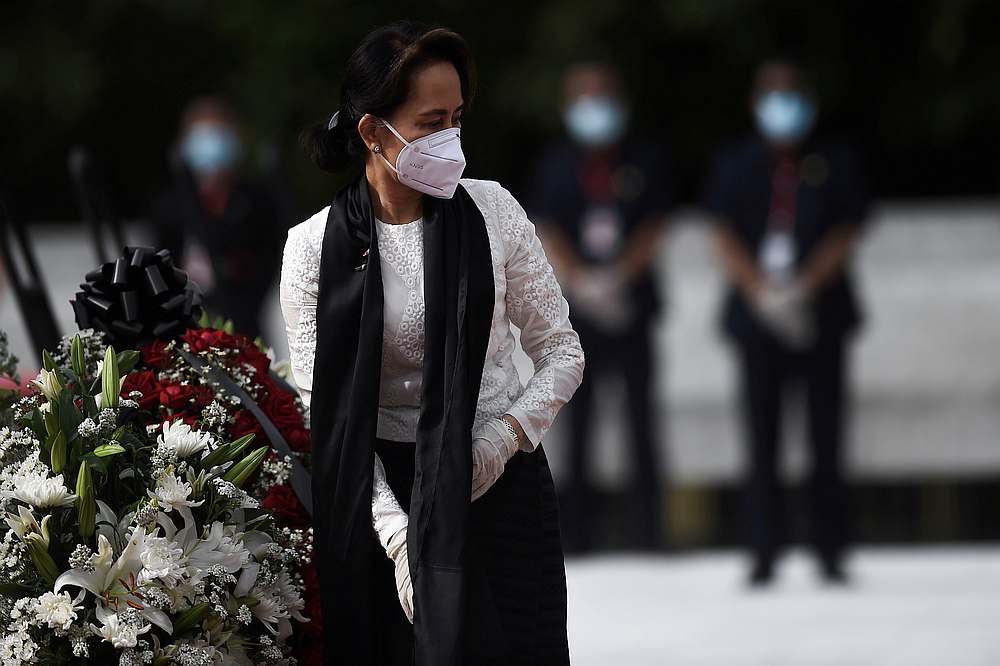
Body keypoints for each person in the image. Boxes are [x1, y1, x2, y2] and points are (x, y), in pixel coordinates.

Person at [279, 22, 584, 665]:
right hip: (381, 494)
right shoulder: (312, 248)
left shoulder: (493, 211)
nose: (449, 139)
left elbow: (562, 351)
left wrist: (499, 443)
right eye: (428, 122)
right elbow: (324, 413)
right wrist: (397, 539)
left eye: (456, 118)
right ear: (372, 132)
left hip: (500, 486)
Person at [704, 60, 869, 585]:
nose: (783, 106)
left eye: (792, 94)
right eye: (773, 95)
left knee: (826, 434)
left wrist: (804, 288)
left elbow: (847, 229)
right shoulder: (734, 163)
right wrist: (760, 290)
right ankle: (763, 550)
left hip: (821, 313)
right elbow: (721, 232)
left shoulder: (835, 159)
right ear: (756, 104)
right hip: (757, 317)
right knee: (762, 436)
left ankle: (830, 549)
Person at [529, 62, 672, 552]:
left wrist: (619, 276)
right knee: (579, 423)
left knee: (641, 419)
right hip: (579, 310)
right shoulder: (555, 164)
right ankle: (578, 535)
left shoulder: (644, 160)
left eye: (602, 96)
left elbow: (655, 224)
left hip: (631, 305)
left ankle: (649, 533)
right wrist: (583, 281)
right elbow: (545, 226)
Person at [151, 97, 284, 339]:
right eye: (202, 137)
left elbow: (267, 261)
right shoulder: (172, 206)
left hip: (244, 329)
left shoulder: (256, 204)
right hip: (183, 333)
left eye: (219, 135)